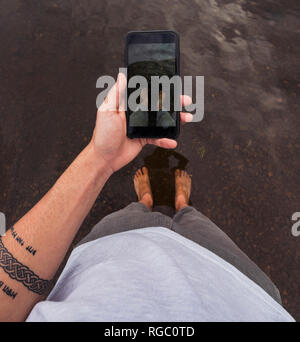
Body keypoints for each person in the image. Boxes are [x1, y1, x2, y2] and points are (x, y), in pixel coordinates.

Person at [0, 74, 294, 322]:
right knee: (194, 221)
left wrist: (100, 159)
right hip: (234, 282)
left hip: (111, 255)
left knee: (133, 215)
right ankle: (181, 204)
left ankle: (146, 202)